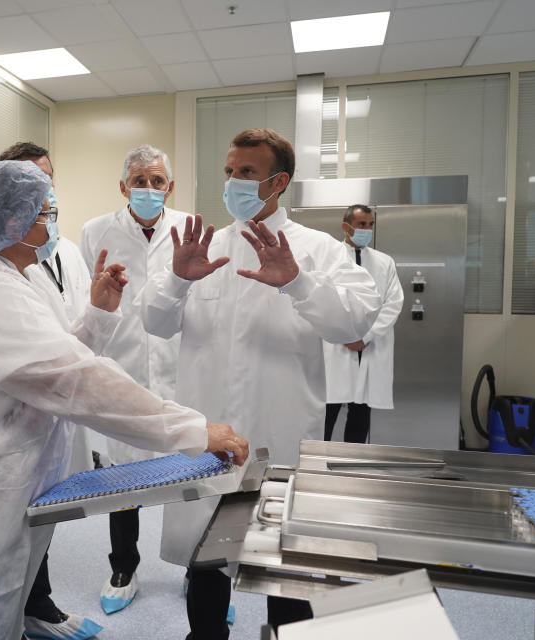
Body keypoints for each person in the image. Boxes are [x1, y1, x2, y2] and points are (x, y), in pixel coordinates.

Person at [0, 160, 249, 640]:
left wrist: (96, 313)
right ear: (14, 224)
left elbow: (52, 362)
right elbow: (77, 381)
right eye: (45, 213)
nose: (51, 223)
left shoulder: (15, 278)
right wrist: (193, 431)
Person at [140, 128, 381, 639]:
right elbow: (155, 323)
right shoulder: (201, 249)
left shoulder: (317, 250)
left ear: (279, 182)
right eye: (229, 172)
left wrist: (297, 282)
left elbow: (353, 323)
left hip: (280, 431)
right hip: (209, 435)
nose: (233, 183)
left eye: (247, 173)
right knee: (205, 562)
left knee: (283, 571)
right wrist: (179, 280)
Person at [0, 142, 101, 640]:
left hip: (58, 404)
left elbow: (71, 337)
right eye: (33, 179)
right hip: (18, 414)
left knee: (47, 512)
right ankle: (22, 612)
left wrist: (101, 308)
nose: (46, 191)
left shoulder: (68, 252)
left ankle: (38, 605)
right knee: (17, 521)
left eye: (50, 179)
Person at [80, 144, 189, 614]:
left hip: (181, 368)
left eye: (157, 181)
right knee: (123, 476)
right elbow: (90, 301)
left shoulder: (189, 228)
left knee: (192, 474)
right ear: (123, 187)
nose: (149, 189)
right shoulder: (94, 232)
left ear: (171, 187)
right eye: (139, 181)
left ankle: (197, 570)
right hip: (121, 368)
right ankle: (124, 565)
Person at [323, 205, 404, 443]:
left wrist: (365, 337)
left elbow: (393, 302)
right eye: (361, 225)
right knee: (327, 413)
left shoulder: (384, 262)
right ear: (346, 227)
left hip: (369, 347)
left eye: (371, 225)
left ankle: (350, 467)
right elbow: (322, 300)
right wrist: (345, 335)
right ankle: (316, 465)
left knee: (360, 415)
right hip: (337, 347)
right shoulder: (328, 259)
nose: (367, 230)